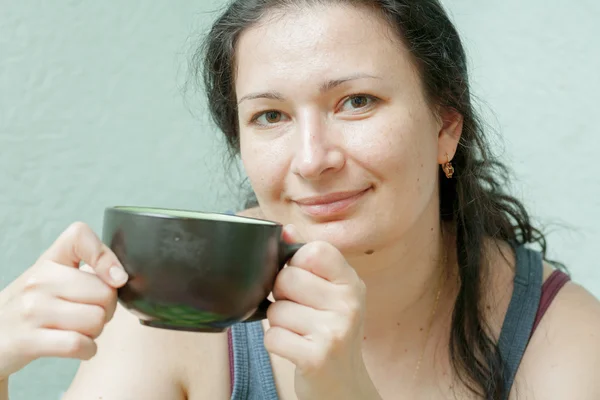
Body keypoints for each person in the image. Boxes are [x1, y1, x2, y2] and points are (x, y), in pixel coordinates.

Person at [1, 1, 599, 399]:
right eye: (270, 115)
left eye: (356, 101)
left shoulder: (562, 338)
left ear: (445, 125)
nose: (313, 159)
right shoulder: (182, 302)